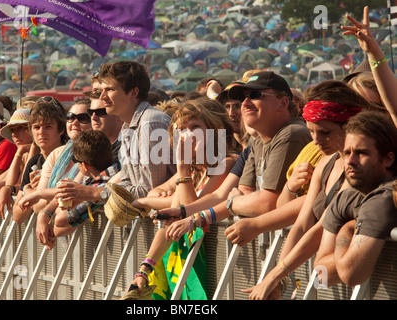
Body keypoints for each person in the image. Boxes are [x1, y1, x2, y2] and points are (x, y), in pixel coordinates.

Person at [242, 80, 374, 300]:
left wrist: (276, 275)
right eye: (311, 131)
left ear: (350, 124)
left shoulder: (361, 169)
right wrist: (277, 281)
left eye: (325, 132)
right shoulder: (325, 163)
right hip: (325, 280)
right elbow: (303, 224)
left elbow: (322, 227)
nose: (316, 141)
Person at [157, 71, 311, 239]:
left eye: (255, 95)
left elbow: (266, 202)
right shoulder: (259, 140)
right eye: (243, 97)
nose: (245, 102)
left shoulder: (290, 134)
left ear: (282, 103)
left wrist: (233, 202)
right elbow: (243, 191)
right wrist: (196, 216)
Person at [127, 97, 238, 298]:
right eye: (181, 130)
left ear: (215, 129)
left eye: (194, 127)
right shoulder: (191, 172)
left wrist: (182, 170)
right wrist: (145, 269)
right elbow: (170, 219)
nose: (186, 135)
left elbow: (189, 208)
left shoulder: (228, 163)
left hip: (221, 275)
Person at [314, 111, 397, 287]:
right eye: (346, 153)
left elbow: (351, 274)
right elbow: (320, 276)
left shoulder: (385, 198)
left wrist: (348, 229)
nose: (350, 161)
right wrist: (349, 231)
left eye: (361, 153)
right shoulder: (346, 198)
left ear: (388, 159)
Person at [96, 61, 175, 198]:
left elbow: (149, 190)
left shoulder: (149, 123)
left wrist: (93, 193)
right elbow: (128, 182)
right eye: (101, 90)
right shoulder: (129, 126)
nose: (102, 96)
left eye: (109, 89)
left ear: (133, 93)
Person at [50, 130, 115, 238]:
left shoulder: (102, 184)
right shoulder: (109, 173)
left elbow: (58, 225)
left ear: (85, 166)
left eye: (75, 160)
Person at [12, 98, 67, 225]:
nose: (41, 132)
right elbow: (17, 216)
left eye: (48, 127)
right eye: (36, 127)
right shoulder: (34, 162)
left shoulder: (68, 158)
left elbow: (40, 206)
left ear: (61, 129)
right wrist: (28, 189)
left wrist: (34, 193)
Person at [341, 6, 397, 126]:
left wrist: (374, 52)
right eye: (356, 107)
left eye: (373, 108)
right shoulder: (346, 142)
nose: (364, 115)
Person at [0, 108, 33, 219]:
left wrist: (8, 189)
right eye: (12, 130)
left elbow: (22, 184)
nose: (15, 134)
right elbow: (1, 184)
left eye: (20, 128)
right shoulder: (22, 154)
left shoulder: (38, 155)